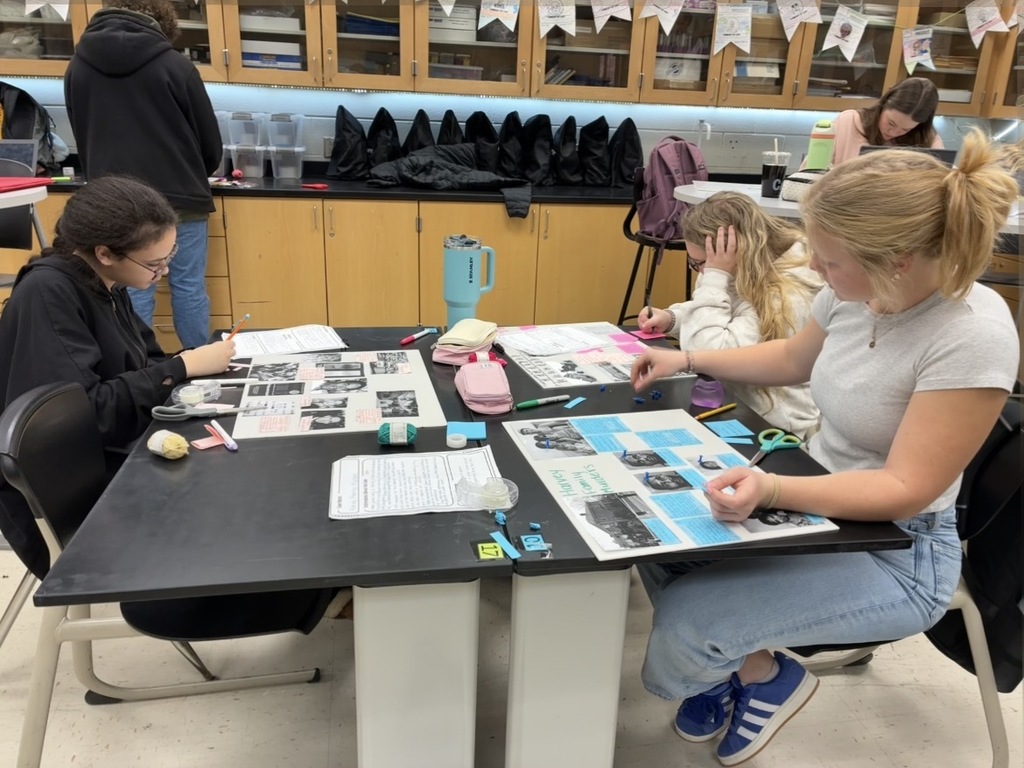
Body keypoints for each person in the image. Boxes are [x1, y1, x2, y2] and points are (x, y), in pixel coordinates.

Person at [628, 130, 1018, 766]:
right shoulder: (854, 292)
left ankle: (761, 675)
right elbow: (789, 358)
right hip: (823, 507)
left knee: (688, 623)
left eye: (830, 261)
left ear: (895, 259)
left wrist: (774, 489)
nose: (815, 271)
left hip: (900, 548)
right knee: (654, 541)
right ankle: (746, 670)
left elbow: (905, 489)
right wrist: (687, 355)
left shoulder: (972, 334)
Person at [0, 176, 233, 580]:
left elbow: (147, 362)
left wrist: (187, 365)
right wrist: (184, 367)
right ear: (105, 252)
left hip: (114, 455)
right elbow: (85, 416)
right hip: (72, 495)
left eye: (170, 254)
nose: (164, 271)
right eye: (154, 263)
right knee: (236, 501)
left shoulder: (105, 281)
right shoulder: (49, 293)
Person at [64, 0, 223, 349]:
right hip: (180, 195)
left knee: (128, 288)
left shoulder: (77, 67)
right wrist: (195, 171)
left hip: (114, 203)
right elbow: (210, 144)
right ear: (164, 24)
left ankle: (138, 370)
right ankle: (200, 368)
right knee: (188, 286)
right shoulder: (175, 65)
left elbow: (80, 132)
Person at [638, 192, 823, 438]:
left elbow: (707, 353)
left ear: (734, 250)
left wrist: (715, 276)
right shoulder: (739, 266)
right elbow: (728, 315)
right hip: (737, 404)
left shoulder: (788, 295)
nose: (701, 272)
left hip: (774, 424)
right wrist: (674, 318)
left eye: (701, 263)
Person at [829, 77, 942, 167]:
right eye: (891, 123)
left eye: (906, 129)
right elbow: (814, 172)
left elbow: (945, 180)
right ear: (883, 105)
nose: (893, 132)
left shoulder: (928, 138)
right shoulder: (848, 122)